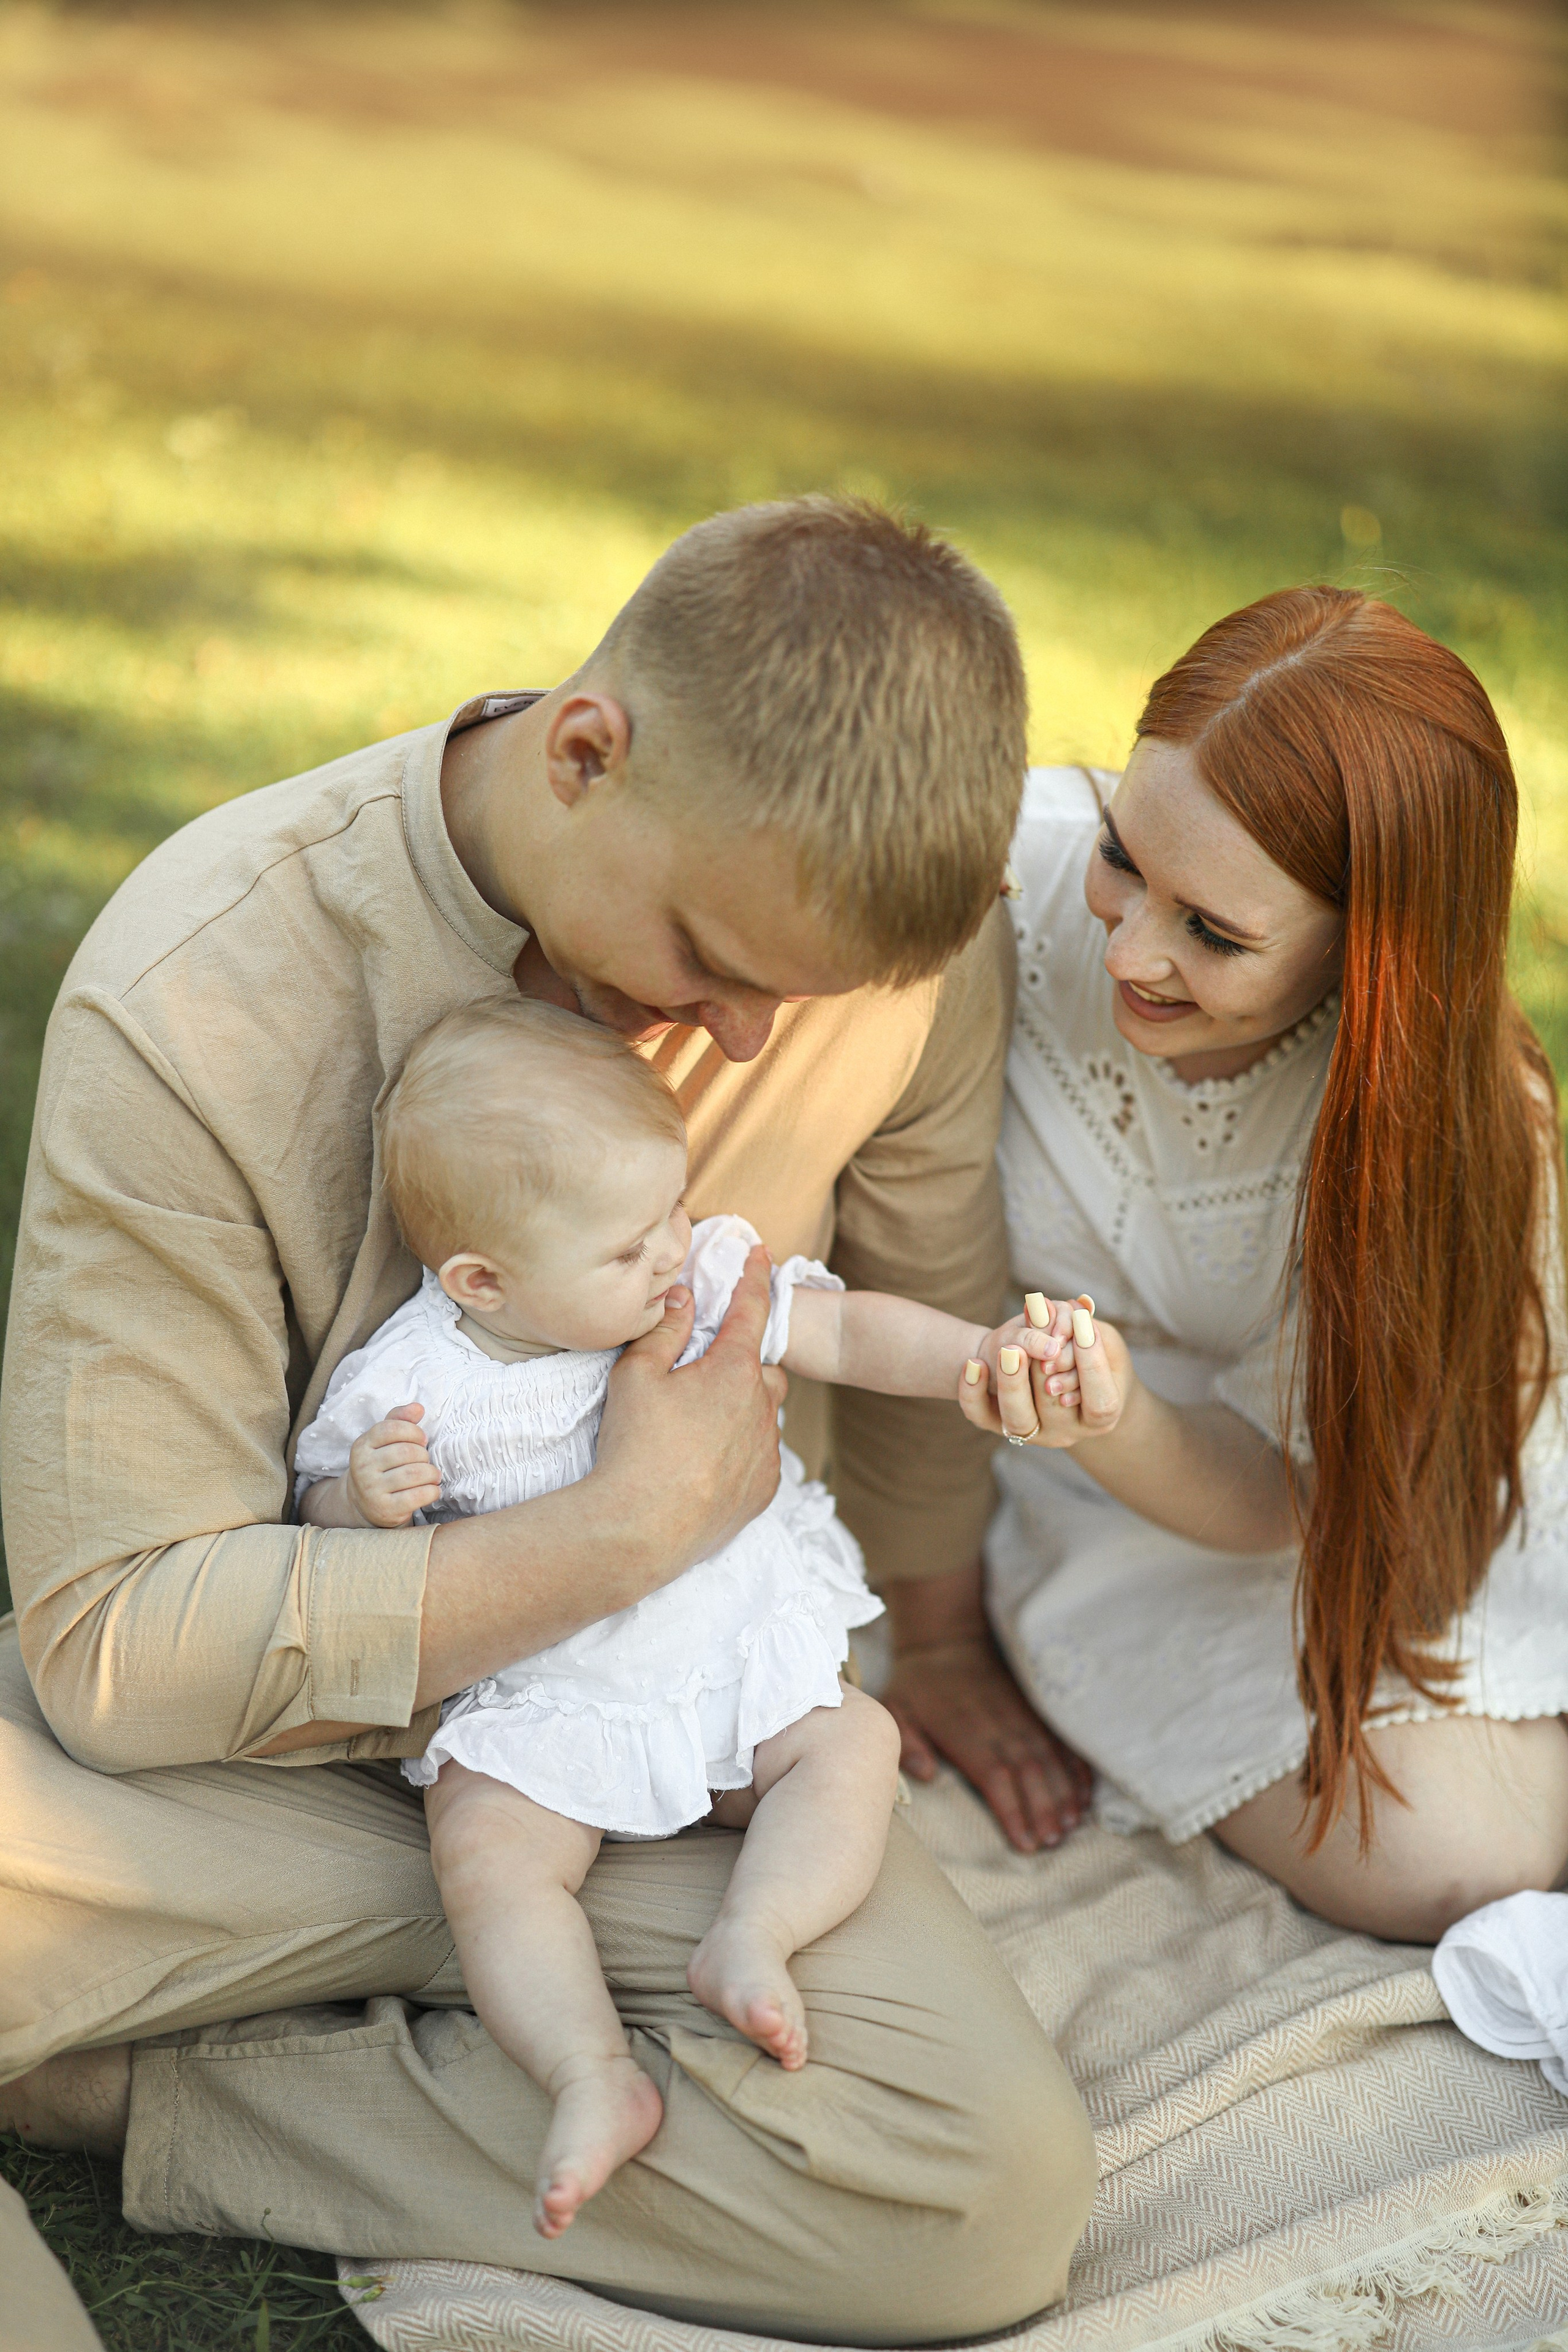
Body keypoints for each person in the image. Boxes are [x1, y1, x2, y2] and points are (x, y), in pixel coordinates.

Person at [0, 497, 1098, 2345]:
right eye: (709, 956)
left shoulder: (875, 953)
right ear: (586, 751)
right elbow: (120, 1650)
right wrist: (624, 1528)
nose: (743, 1041)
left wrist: (934, 1632)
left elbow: (921, 1281)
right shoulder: (198, 991)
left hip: (651, 1763)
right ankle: (379, 2001)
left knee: (978, 2195)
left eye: (797, 998)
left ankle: (130, 2080)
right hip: (233, 1778)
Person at [295, 995, 1061, 2238]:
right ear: (483, 1281)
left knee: (851, 1744)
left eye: (672, 1209)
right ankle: (587, 2072)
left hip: (716, 1643)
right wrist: (358, 1497)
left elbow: (847, 1327)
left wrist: (978, 1355)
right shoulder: (415, 1381)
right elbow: (318, 1511)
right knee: (485, 1858)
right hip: (546, 1686)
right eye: (626, 1247)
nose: (667, 1252)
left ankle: (754, 1932)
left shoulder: (696, 1278)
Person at [937, 585, 1568, 1946]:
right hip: (1064, 1473)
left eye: (1212, 934)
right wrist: (1084, 1424)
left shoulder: (1456, 1119)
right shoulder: (1003, 873)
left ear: (1367, 953)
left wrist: (1113, 1416)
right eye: (1121, 856)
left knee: (1482, 1840)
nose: (1128, 948)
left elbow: (1302, 1490)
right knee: (1455, 1856)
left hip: (1323, 1497)